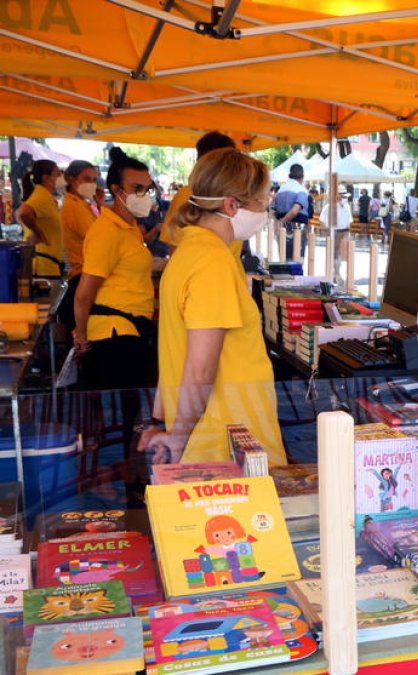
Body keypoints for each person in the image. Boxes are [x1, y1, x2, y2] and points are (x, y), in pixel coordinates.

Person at [140, 148, 285, 466]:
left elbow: (174, 349)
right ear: (232, 205)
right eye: (262, 201)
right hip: (227, 441)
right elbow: (200, 368)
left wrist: (164, 422)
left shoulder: (191, 251)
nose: (266, 209)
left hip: (218, 434)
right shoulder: (212, 262)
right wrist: (178, 435)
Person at [73, 147, 156, 443]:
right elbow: (84, 294)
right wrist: (81, 337)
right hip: (114, 331)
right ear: (116, 190)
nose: (144, 194)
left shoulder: (130, 226)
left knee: (131, 414)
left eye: (147, 188)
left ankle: (128, 475)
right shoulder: (106, 230)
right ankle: (126, 480)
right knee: (127, 416)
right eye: (137, 188)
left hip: (132, 328)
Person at [162, 132, 242, 262]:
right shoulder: (187, 195)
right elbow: (176, 250)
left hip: (231, 275)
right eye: (230, 161)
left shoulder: (238, 195)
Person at [58, 160, 100, 331]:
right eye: (86, 179)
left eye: (94, 180)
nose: (92, 184)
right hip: (82, 275)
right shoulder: (74, 206)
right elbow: (98, 237)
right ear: (71, 180)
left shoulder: (83, 204)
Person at [16, 159, 65, 277]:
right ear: (46, 178)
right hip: (42, 267)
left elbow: (18, 213)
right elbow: (23, 213)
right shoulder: (41, 196)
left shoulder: (45, 196)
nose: (61, 177)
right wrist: (38, 233)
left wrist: (31, 228)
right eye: (58, 174)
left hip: (48, 264)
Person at [272, 163, 310, 261]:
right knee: (297, 263)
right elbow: (294, 211)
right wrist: (283, 221)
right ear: (302, 177)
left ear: (289, 176)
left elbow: (272, 211)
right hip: (298, 230)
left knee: (284, 262)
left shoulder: (280, 191)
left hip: (282, 231)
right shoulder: (302, 190)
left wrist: (278, 223)